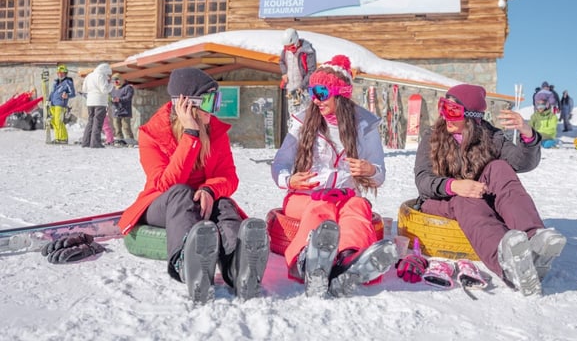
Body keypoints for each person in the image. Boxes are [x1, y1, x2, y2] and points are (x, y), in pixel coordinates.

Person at [117, 67, 269, 303]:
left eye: (216, 101)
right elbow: (164, 184)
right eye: (209, 102)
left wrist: (210, 190)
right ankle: (187, 264)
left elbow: (229, 177)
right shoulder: (152, 134)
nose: (214, 110)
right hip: (163, 204)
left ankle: (238, 268)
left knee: (225, 203)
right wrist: (190, 135)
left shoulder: (217, 132)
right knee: (181, 192)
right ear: (187, 105)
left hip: (201, 202)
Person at [413, 84, 566, 296]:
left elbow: (522, 163)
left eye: (453, 110)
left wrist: (527, 133)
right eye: (443, 107)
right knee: (466, 200)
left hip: (477, 195)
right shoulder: (432, 136)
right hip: (440, 199)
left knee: (500, 168)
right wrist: (455, 186)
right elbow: (423, 180)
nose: (445, 116)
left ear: (472, 117)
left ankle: (534, 241)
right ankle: (505, 261)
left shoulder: (489, 136)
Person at [271, 54, 397, 298]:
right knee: (322, 209)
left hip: (345, 196)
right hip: (306, 195)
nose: (315, 100)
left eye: (321, 92)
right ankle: (305, 261)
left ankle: (349, 261)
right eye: (312, 92)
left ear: (340, 93)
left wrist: (369, 170)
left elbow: (379, 174)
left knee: (358, 207)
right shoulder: (303, 121)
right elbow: (281, 163)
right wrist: (289, 180)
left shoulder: (363, 125)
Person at [279, 28, 317, 118]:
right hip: (291, 88)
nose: (289, 50)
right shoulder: (285, 52)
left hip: (304, 89)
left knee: (304, 115)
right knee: (293, 116)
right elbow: (281, 62)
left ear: (296, 42)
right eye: (286, 48)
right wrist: (284, 73)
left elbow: (312, 71)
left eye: (291, 47)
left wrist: (302, 87)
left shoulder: (308, 52)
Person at [81, 63, 113, 148]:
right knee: (98, 122)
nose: (108, 76)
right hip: (100, 102)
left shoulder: (89, 75)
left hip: (90, 102)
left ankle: (86, 142)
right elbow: (104, 90)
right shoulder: (101, 76)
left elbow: (84, 89)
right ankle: (95, 143)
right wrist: (111, 84)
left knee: (91, 121)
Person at [49, 64, 76, 144]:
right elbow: (52, 92)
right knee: (54, 121)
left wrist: (67, 95)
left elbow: (73, 93)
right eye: (59, 73)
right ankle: (58, 138)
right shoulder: (56, 82)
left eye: (62, 73)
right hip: (53, 104)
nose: (60, 74)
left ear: (66, 73)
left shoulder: (68, 82)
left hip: (60, 105)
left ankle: (63, 138)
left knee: (59, 121)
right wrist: (48, 100)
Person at [111, 73, 136, 145]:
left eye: (116, 81)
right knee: (117, 128)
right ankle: (120, 142)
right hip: (116, 111)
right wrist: (111, 100)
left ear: (120, 80)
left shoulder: (128, 87)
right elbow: (111, 98)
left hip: (125, 111)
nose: (115, 83)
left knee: (126, 128)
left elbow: (128, 97)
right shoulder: (113, 89)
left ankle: (130, 142)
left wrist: (119, 99)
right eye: (113, 82)